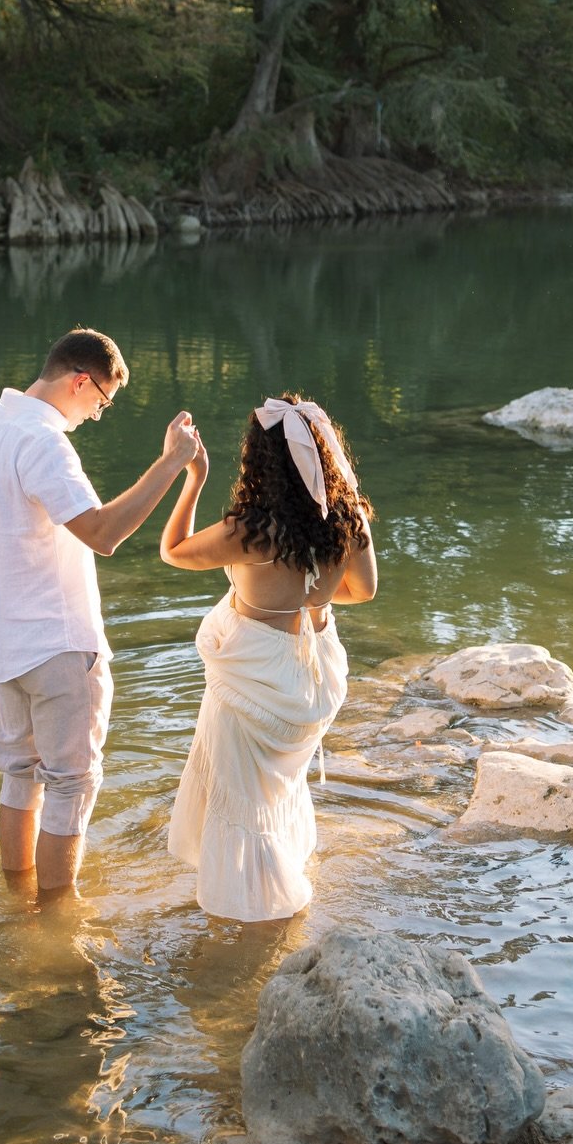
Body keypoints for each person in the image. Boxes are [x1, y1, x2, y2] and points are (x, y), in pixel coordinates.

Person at [0, 327, 199, 891]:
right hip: (56, 641)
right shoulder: (43, 440)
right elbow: (103, 533)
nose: (96, 415)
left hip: (1, 641)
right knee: (71, 784)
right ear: (81, 381)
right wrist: (171, 463)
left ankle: (18, 903)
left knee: (20, 776)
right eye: (102, 402)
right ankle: (55, 924)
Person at [159, 394, 377, 922]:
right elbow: (364, 590)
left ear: (259, 459)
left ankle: (253, 910)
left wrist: (194, 478)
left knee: (244, 801)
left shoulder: (250, 532)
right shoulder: (348, 519)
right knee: (278, 790)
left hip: (256, 677)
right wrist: (310, 596)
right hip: (313, 678)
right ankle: (283, 879)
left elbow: (172, 550)